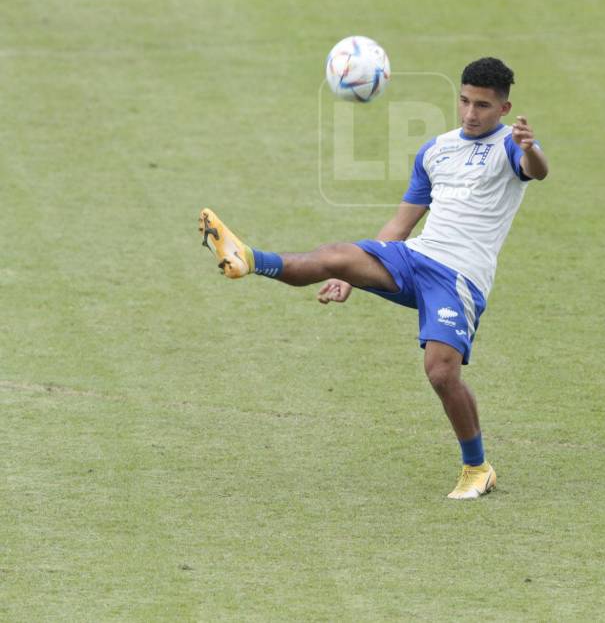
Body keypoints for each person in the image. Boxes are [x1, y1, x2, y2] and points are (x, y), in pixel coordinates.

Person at [198, 57, 548, 499]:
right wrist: (352, 276)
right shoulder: (435, 151)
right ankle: (248, 259)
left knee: (441, 374)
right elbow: (402, 223)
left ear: (503, 108)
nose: (470, 113)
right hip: (415, 256)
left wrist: (531, 147)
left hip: (458, 277)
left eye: (482, 105)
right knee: (334, 256)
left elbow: (537, 171)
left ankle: (477, 468)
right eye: (464, 101)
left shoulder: (510, 147)